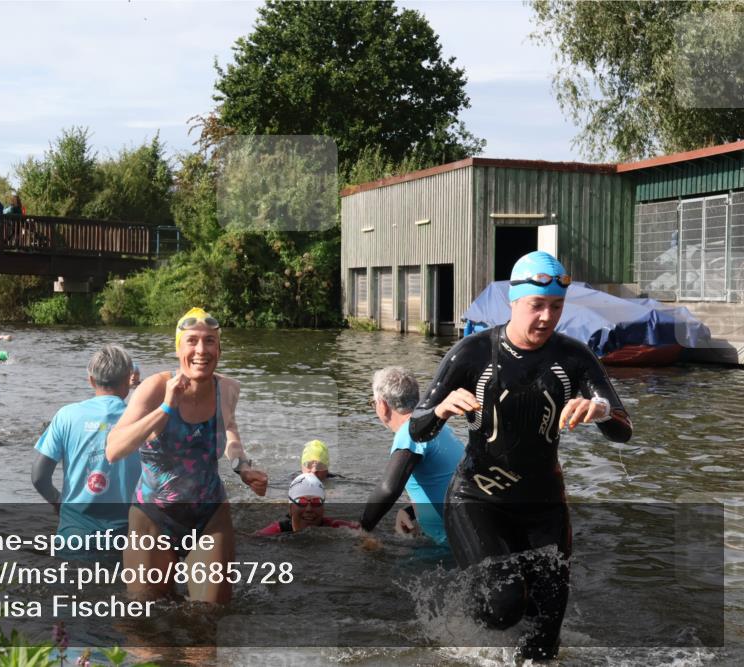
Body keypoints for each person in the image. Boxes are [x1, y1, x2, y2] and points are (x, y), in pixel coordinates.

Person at [410, 251, 633, 660]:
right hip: (477, 500)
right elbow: (416, 426)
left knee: (546, 630)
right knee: (503, 609)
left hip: (544, 505)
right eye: (537, 306)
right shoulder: (472, 353)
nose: (547, 317)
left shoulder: (573, 357)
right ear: (513, 301)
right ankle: (465, 617)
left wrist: (600, 410)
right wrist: (441, 410)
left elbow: (623, 428)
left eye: (557, 307)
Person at [106, 307, 268, 603]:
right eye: (192, 341)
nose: (201, 350)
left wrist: (242, 466)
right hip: (153, 515)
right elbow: (114, 450)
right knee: (146, 621)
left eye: (209, 341)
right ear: (178, 347)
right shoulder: (154, 388)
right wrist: (166, 407)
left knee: (208, 622)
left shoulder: (228, 389)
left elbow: (229, 429)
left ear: (219, 348)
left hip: (210, 515)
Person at [32, 344, 141, 550]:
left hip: (74, 534)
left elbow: (39, 477)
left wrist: (60, 504)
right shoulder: (144, 420)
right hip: (127, 538)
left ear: (91, 380)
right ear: (128, 380)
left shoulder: (67, 415)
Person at [360, 367, 464, 544]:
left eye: (373, 403)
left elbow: (388, 489)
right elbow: (444, 484)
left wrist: (362, 530)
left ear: (383, 405)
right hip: (464, 532)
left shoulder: (410, 432)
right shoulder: (438, 427)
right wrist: (409, 511)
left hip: (449, 545)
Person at [256, 473, 358, 536]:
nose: (309, 508)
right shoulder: (276, 531)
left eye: (316, 502)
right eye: (301, 502)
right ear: (291, 508)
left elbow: (361, 532)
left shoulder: (335, 527)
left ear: (323, 508)